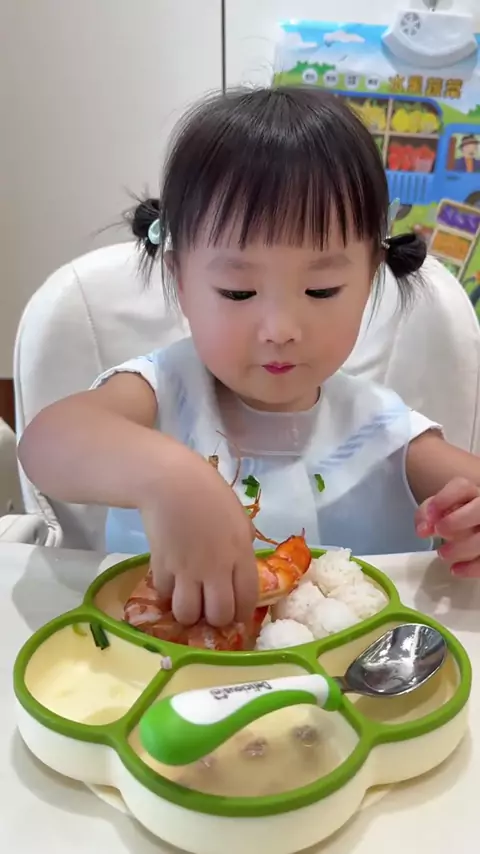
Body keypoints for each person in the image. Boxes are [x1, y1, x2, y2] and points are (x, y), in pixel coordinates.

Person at [18, 87, 480, 633]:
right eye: (238, 293)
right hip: (161, 669)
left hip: (351, 679)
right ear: (180, 280)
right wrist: (168, 478)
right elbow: (46, 442)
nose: (281, 330)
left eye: (322, 290)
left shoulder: (379, 428)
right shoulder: (163, 392)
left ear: (370, 279)